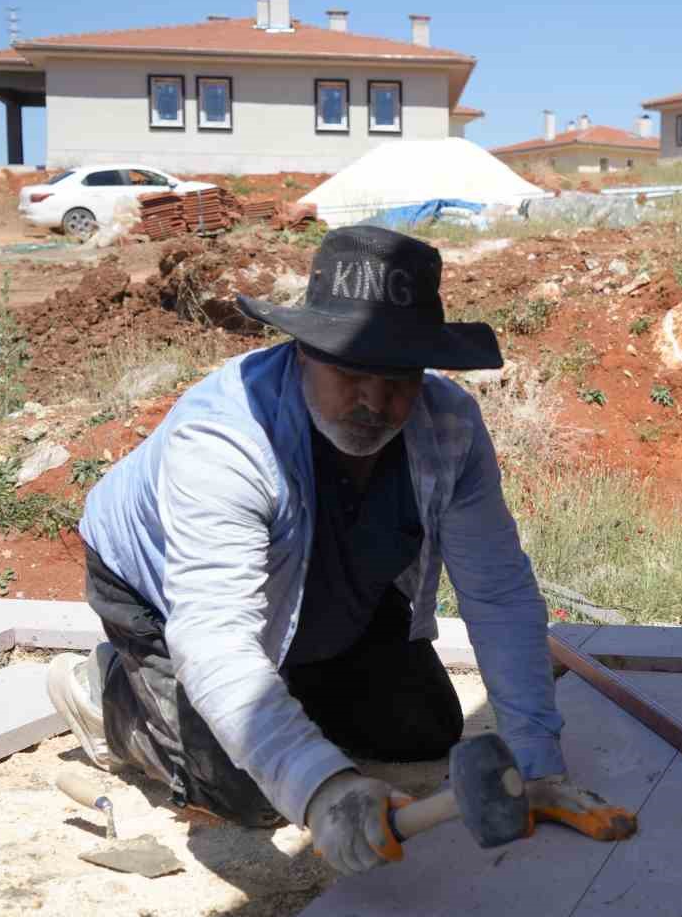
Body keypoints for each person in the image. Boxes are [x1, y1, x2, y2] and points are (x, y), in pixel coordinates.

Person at [49, 226, 636, 875]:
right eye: (352, 372)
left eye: (399, 378)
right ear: (302, 351)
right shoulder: (228, 439)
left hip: (323, 570)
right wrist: (322, 786)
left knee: (424, 733)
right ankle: (110, 696)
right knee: (254, 792)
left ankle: (291, 687)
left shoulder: (448, 428)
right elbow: (215, 636)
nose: (376, 403)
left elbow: (496, 593)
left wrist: (536, 763)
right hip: (159, 591)